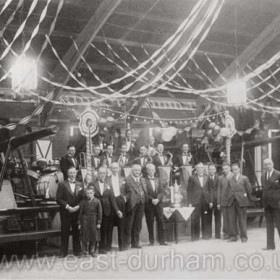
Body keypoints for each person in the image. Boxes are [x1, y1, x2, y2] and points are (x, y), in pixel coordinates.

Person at [90, 167, 123, 254]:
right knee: (97, 229)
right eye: (101, 173)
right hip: (95, 210)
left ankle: (105, 247)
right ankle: (95, 249)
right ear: (98, 174)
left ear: (106, 174)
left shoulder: (108, 184)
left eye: (104, 173)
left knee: (106, 229)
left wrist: (117, 210)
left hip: (107, 210)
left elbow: (112, 199)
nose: (102, 175)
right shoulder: (92, 184)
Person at [56, 167, 85, 257]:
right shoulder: (62, 184)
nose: (72, 174)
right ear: (68, 174)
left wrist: (78, 206)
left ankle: (77, 251)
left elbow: (83, 198)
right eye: (70, 173)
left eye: (74, 173)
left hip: (76, 211)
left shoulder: (80, 184)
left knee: (76, 231)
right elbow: (58, 198)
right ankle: (63, 252)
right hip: (66, 212)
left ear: (76, 174)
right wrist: (67, 207)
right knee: (65, 232)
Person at [227, 163, 254, 243]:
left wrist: (245, 196)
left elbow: (249, 189)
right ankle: (233, 236)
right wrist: (229, 198)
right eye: (233, 169)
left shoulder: (244, 178)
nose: (234, 171)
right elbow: (227, 190)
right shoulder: (230, 179)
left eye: (236, 169)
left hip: (241, 201)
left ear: (239, 169)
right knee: (232, 220)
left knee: (242, 220)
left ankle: (244, 237)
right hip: (232, 201)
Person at [144, 163, 168, 246]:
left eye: (152, 170)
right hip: (149, 204)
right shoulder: (144, 180)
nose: (151, 171)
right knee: (150, 222)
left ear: (154, 171)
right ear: (147, 171)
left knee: (161, 221)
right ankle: (151, 241)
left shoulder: (158, 179)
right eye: (149, 170)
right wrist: (152, 199)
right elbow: (144, 193)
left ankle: (162, 241)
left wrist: (158, 199)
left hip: (158, 204)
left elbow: (162, 191)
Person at [124, 164, 147, 249]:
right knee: (129, 224)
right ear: (132, 171)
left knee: (138, 225)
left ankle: (135, 243)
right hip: (131, 204)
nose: (137, 172)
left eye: (138, 170)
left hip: (141, 204)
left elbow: (145, 191)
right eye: (135, 170)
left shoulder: (142, 180)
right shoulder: (127, 180)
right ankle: (126, 243)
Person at [106, 162, 126, 251]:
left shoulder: (123, 179)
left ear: (119, 168)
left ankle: (121, 246)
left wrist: (125, 198)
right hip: (110, 203)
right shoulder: (107, 180)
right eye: (113, 168)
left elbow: (129, 191)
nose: (115, 169)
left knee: (121, 225)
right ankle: (108, 246)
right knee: (109, 226)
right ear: (110, 169)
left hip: (120, 202)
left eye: (116, 168)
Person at [261, 158, 280, 250]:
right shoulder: (263, 175)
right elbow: (264, 190)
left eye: (269, 164)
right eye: (265, 164)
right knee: (269, 225)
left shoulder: (278, 174)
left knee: (279, 224)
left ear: (273, 164)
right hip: (267, 204)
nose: (267, 166)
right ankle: (270, 245)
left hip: (276, 204)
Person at [187, 162, 209, 241]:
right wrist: (189, 202)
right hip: (195, 201)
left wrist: (209, 200)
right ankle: (195, 236)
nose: (200, 169)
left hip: (205, 200)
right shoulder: (192, 177)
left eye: (202, 167)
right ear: (196, 168)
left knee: (205, 218)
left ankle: (205, 235)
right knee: (195, 218)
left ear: (204, 168)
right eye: (199, 167)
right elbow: (189, 190)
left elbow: (209, 189)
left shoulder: (207, 177)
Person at [78, 187, 102, 257]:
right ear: (86, 194)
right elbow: (81, 212)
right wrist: (79, 223)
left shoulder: (97, 201)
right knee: (84, 235)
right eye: (87, 193)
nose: (89, 195)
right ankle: (84, 250)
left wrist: (99, 222)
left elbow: (100, 212)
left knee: (93, 236)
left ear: (93, 193)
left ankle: (92, 250)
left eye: (90, 193)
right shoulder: (83, 202)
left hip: (93, 220)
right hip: (85, 220)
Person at [217, 162, 233, 239]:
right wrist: (218, 202)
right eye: (223, 169)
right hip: (223, 201)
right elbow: (219, 190)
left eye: (226, 168)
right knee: (225, 218)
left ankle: (233, 234)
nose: (224, 170)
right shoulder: (220, 178)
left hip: (232, 201)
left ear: (230, 168)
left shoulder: (234, 176)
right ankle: (226, 234)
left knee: (232, 218)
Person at [207, 164, 221, 239]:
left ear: (215, 170)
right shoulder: (206, 178)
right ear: (208, 170)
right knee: (208, 218)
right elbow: (207, 191)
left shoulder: (218, 178)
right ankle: (209, 234)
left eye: (213, 169)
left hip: (216, 201)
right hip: (209, 201)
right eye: (210, 169)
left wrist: (219, 202)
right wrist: (210, 201)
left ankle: (217, 235)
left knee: (218, 218)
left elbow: (219, 190)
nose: (211, 171)